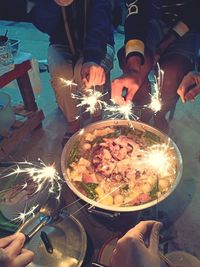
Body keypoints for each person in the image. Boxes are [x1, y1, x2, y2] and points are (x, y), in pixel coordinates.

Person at [29, 0, 114, 142]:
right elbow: (43, 23)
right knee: (60, 74)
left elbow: (101, 21)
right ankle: (73, 121)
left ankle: (97, 118)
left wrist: (92, 57)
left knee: (87, 74)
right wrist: (55, 4)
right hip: (60, 42)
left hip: (99, 42)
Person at [112, 0, 200, 133]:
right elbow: (136, 11)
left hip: (190, 24)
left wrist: (162, 47)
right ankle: (143, 109)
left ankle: (159, 114)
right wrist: (134, 68)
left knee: (171, 73)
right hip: (150, 17)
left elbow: (194, 13)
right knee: (132, 61)